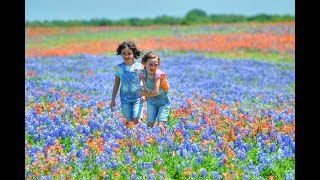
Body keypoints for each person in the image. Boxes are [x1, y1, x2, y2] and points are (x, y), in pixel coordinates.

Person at [110, 41, 146, 125]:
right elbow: (116, 85)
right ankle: (130, 138)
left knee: (137, 119)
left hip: (138, 97)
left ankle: (140, 137)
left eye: (129, 53)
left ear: (133, 54)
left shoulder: (140, 67)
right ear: (120, 53)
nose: (126, 56)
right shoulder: (119, 68)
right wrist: (113, 99)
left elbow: (144, 82)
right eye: (124, 53)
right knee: (128, 122)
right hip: (125, 98)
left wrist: (145, 94)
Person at [139, 51, 170, 131]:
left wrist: (143, 94)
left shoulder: (158, 74)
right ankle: (152, 142)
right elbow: (144, 87)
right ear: (144, 63)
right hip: (152, 101)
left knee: (160, 126)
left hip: (163, 102)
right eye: (150, 64)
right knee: (150, 127)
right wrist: (144, 95)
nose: (153, 67)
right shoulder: (143, 74)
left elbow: (155, 91)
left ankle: (163, 141)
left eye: (155, 65)